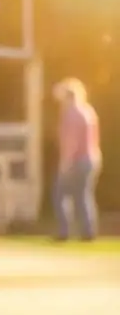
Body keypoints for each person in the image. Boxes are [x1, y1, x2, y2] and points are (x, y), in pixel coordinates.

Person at [52, 78, 101, 242]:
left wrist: (65, 163)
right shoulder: (88, 111)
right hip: (91, 158)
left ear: (68, 96)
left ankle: (64, 231)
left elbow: (71, 141)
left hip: (76, 160)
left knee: (60, 195)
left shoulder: (71, 114)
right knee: (83, 196)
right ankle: (88, 232)